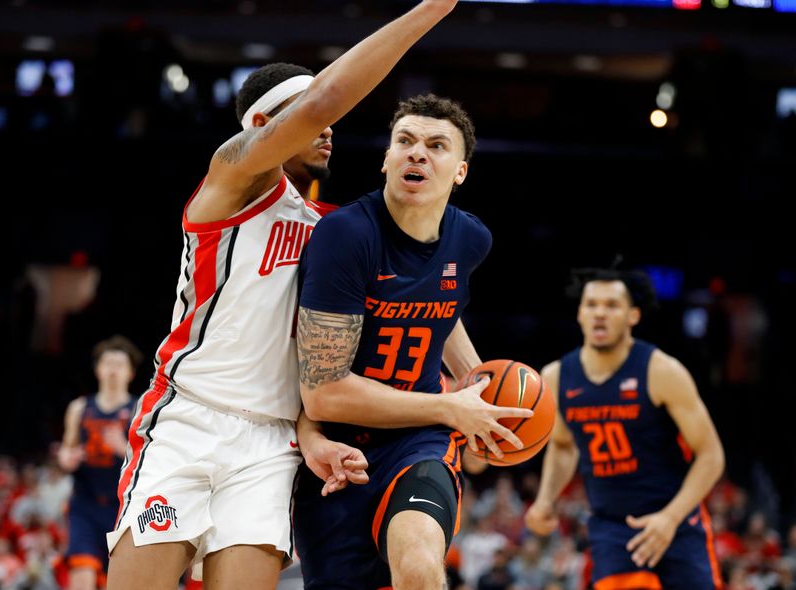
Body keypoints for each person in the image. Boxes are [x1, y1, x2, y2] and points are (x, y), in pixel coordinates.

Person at [105, 3, 465, 590]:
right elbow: (324, 100)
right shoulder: (229, 183)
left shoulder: (337, 227)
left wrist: (471, 375)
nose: (325, 126)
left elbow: (415, 295)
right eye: (297, 114)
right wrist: (432, 8)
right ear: (259, 128)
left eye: (322, 117)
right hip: (189, 418)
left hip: (274, 442)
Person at [294, 93, 534, 590]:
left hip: (417, 443)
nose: (417, 152)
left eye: (436, 145)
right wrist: (449, 406)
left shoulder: (471, 239)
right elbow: (325, 393)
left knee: (421, 562)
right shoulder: (344, 236)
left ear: (460, 171)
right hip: (334, 445)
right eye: (404, 141)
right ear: (385, 160)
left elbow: (443, 312)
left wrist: (480, 386)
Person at [524, 267, 726, 590]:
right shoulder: (556, 377)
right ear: (579, 313)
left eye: (611, 305)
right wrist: (546, 499)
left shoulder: (662, 371)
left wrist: (670, 518)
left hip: (677, 521)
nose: (599, 314)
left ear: (633, 315)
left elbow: (711, 456)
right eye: (591, 305)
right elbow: (563, 445)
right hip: (612, 528)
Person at [58, 335, 141, 590]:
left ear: (130, 372)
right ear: (97, 370)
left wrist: (123, 449)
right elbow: (66, 450)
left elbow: (150, 460)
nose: (113, 369)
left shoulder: (141, 409)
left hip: (122, 508)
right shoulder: (79, 407)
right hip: (85, 503)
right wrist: (66, 459)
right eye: (108, 363)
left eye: (119, 364)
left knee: (120, 581)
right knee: (81, 575)